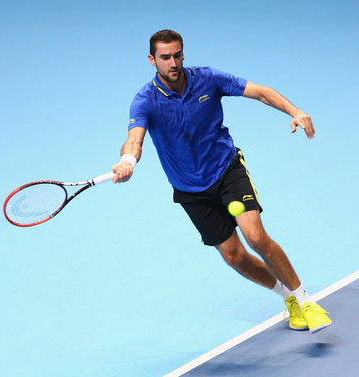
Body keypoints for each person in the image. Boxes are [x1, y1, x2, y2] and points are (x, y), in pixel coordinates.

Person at [111, 29, 332, 332]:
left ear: (183, 55)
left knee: (255, 237)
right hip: (191, 190)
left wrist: (294, 110)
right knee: (234, 256)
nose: (172, 62)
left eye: (177, 55)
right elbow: (134, 140)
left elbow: (262, 92)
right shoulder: (145, 101)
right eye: (165, 57)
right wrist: (127, 161)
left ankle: (306, 301)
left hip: (226, 171)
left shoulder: (207, 79)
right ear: (152, 60)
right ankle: (287, 298)